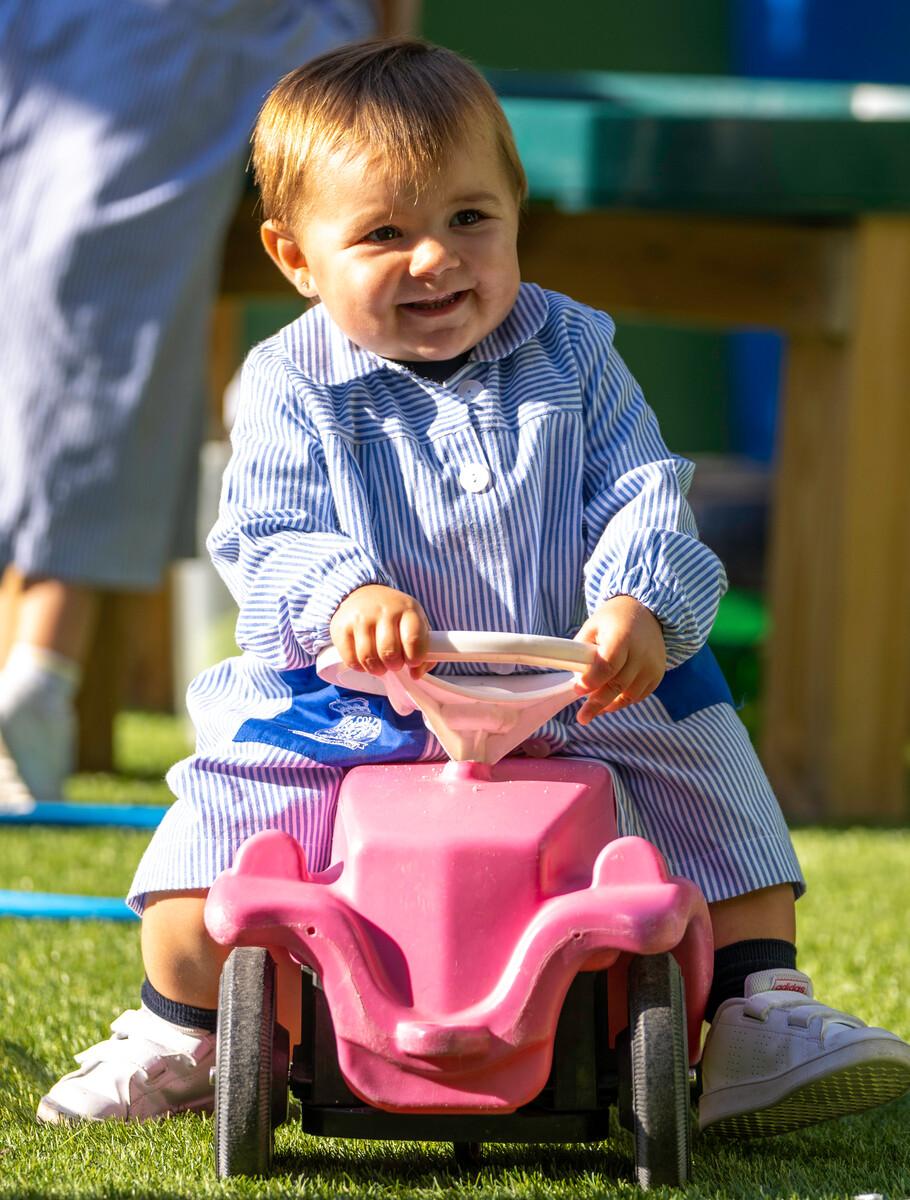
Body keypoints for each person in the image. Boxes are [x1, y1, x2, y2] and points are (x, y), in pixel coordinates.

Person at [37, 36, 910, 1135]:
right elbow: (266, 526)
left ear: (514, 211)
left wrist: (637, 605)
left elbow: (642, 487)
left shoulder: (576, 351)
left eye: (467, 220)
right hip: (358, 695)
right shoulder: (290, 381)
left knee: (703, 742)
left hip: (571, 687)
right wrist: (344, 597)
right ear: (294, 256)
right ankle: (186, 1023)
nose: (433, 261)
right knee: (218, 802)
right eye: (382, 234)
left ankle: (753, 1006)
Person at [0, 0, 419, 812]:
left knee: (90, 295)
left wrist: (393, 54)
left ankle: (44, 666)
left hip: (214, 36)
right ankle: (41, 672)